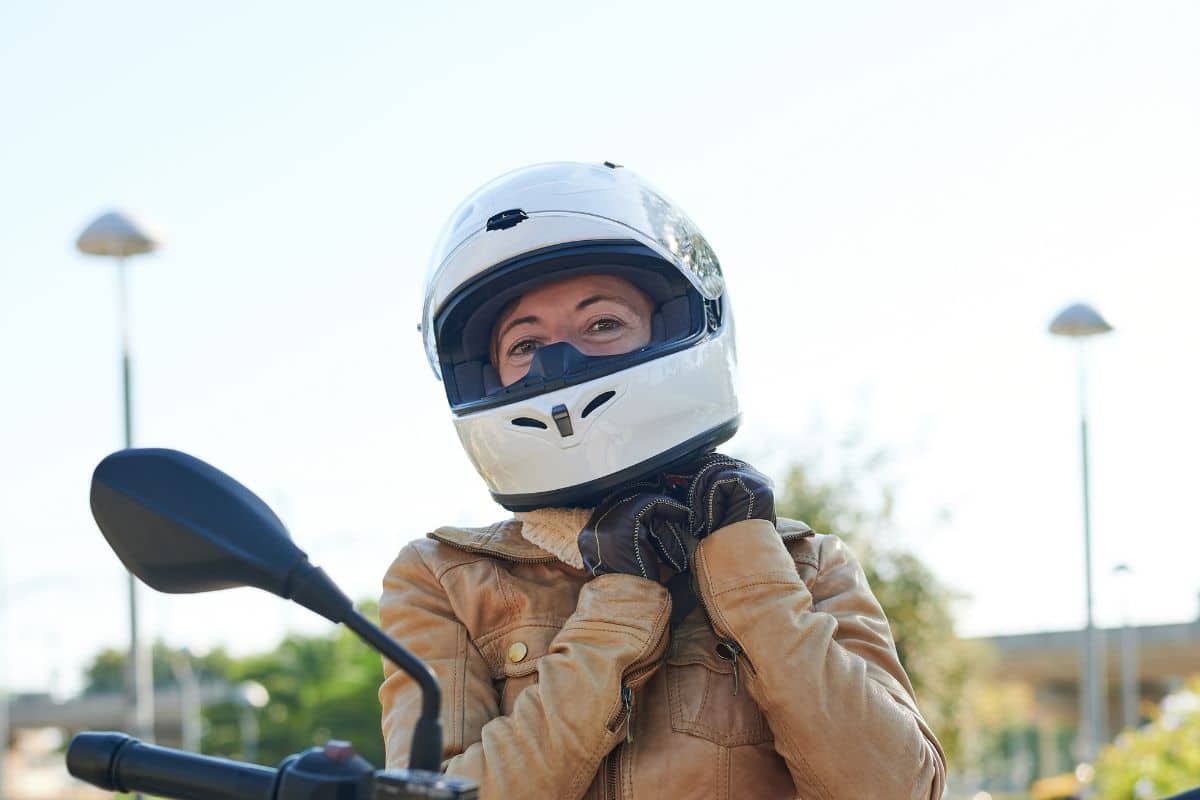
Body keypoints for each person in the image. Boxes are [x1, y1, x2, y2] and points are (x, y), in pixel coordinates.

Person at [379, 161, 947, 799]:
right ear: (486, 376)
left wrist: (750, 575)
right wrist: (621, 601)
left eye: (602, 324)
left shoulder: (811, 566)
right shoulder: (445, 579)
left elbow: (894, 789)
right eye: (526, 344)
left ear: (675, 326)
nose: (562, 362)